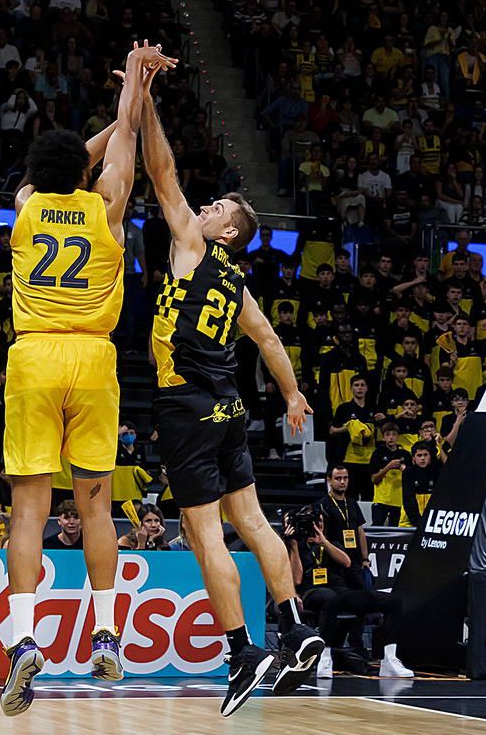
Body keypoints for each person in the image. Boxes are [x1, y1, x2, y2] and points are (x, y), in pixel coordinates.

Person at [137, 74, 323, 715]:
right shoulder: (235, 282)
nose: (206, 207)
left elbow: (161, 172)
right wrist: (292, 396)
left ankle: (243, 650)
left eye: (217, 208)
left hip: (186, 403)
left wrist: (144, 99)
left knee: (204, 534)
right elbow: (268, 339)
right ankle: (294, 626)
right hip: (228, 406)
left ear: (224, 234)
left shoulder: (191, 244)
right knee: (253, 520)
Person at [1, 43, 171, 716]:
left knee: (28, 510)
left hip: (34, 356)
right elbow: (123, 141)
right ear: (81, 173)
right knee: (96, 505)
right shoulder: (106, 208)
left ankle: (23, 640)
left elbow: (74, 160)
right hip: (94, 359)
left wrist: (112, 114)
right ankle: (105, 632)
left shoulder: (24, 204)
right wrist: (134, 86)